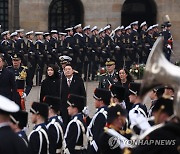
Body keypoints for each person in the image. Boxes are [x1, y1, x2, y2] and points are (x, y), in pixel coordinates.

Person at [87, 88, 111, 154]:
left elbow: (97, 137)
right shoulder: (107, 111)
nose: (94, 101)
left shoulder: (101, 114)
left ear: (101, 101)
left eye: (96, 99)